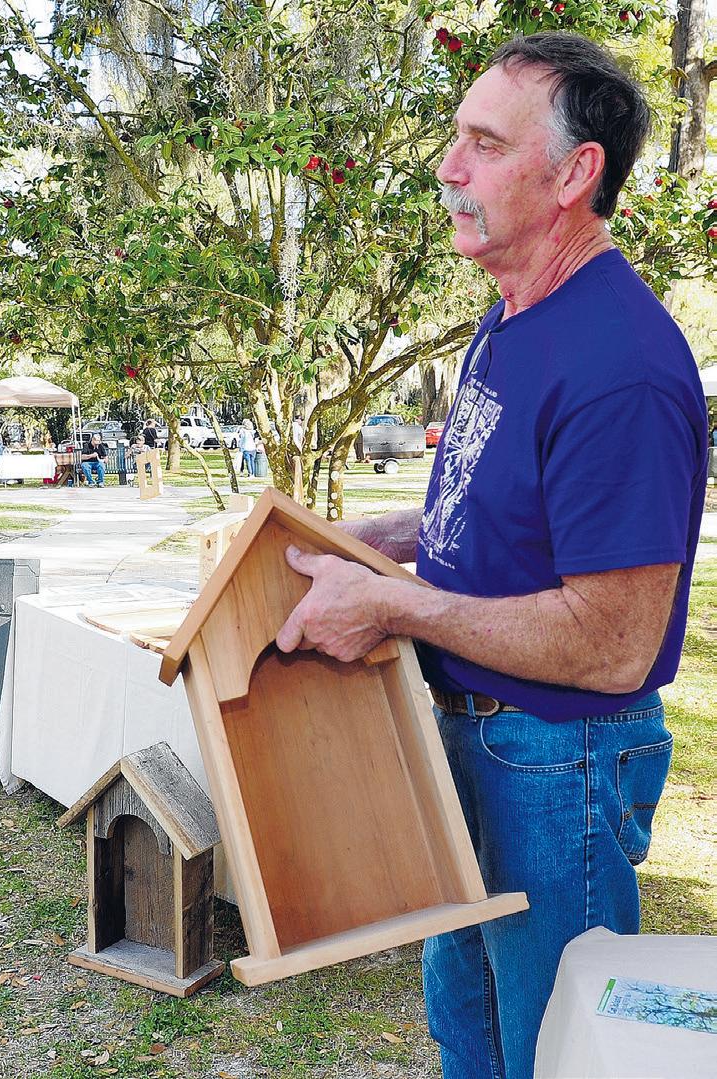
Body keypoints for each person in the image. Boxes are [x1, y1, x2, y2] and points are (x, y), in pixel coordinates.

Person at [274, 34, 706, 1079]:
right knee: (468, 1036)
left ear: (573, 174)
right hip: (468, 739)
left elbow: (612, 643)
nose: (448, 168)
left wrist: (394, 605)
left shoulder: (620, 363)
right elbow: (507, 511)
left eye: (484, 143)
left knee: (552, 1055)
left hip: (557, 762)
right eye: (454, 138)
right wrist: (386, 541)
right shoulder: (512, 316)